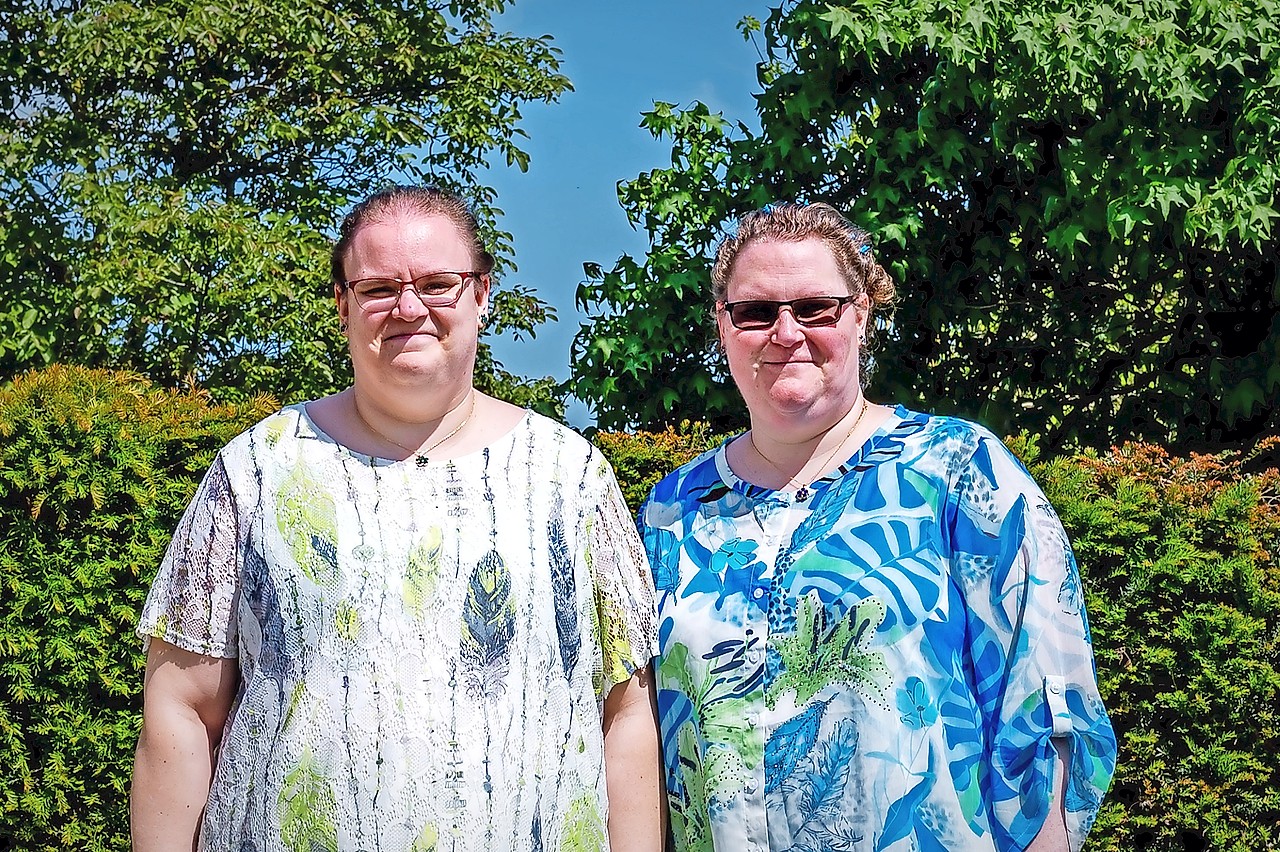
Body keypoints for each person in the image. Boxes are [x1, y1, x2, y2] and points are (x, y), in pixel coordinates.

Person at [131, 185, 662, 852]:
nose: (409, 308)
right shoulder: (257, 470)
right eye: (379, 287)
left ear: (482, 293)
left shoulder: (572, 477)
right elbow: (180, 708)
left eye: (438, 283)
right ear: (342, 303)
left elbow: (626, 713)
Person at [639, 202, 1116, 851]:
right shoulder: (672, 512)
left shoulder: (957, 470)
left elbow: (1050, 704)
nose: (785, 332)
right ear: (723, 327)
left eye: (815, 308)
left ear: (861, 311)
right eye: (756, 312)